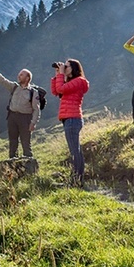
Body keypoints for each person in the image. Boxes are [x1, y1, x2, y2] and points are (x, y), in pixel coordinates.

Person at [0, 58, 40, 158]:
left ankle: (29, 162)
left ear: (27, 78)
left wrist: (33, 123)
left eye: (22, 74)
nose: (19, 76)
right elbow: (1, 79)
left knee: (25, 141)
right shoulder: (14, 87)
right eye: (19, 74)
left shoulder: (33, 92)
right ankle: (12, 161)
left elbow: (36, 109)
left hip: (25, 118)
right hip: (12, 116)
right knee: (12, 140)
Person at [51, 58, 89, 187]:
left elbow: (61, 89)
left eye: (67, 66)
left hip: (73, 118)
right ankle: (76, 179)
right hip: (68, 118)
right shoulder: (70, 82)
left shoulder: (79, 81)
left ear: (74, 68)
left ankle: (77, 180)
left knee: (75, 151)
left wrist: (61, 74)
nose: (64, 68)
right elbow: (55, 91)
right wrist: (58, 74)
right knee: (74, 150)